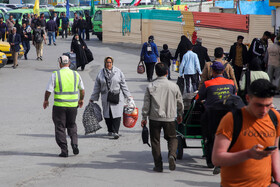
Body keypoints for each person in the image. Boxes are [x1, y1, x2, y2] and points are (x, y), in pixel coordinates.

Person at [212, 79, 280, 187]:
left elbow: (275, 150)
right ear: (248, 98)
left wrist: (277, 181)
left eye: (268, 105)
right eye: (259, 105)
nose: (264, 110)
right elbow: (217, 159)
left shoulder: (274, 117)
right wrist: (248, 154)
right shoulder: (231, 119)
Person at [141, 63, 184, 172]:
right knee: (172, 138)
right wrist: (180, 114)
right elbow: (180, 102)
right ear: (167, 72)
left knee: (155, 141)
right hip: (169, 118)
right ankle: (172, 155)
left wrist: (144, 117)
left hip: (154, 118)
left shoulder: (151, 86)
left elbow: (146, 103)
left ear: (156, 73)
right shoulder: (174, 86)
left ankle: (158, 166)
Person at [196, 61, 237, 169]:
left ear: (212, 71)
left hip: (211, 115)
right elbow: (235, 96)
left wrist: (203, 101)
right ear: (223, 71)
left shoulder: (207, 83)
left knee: (209, 138)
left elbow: (197, 98)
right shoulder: (231, 83)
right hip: (228, 115)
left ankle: (210, 161)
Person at [43, 55, 85, 157]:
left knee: (60, 127)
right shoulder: (76, 74)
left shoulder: (56, 75)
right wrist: (81, 99)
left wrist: (46, 100)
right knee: (72, 125)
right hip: (72, 106)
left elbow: (48, 90)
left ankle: (64, 150)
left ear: (59, 63)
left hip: (59, 106)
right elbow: (82, 90)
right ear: (69, 63)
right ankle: (74, 144)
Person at [90, 56, 132, 139]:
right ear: (105, 63)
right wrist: (93, 98)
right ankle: (110, 129)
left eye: (110, 62)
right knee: (107, 114)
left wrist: (128, 95)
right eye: (107, 62)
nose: (108, 64)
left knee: (117, 114)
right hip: (106, 97)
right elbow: (97, 87)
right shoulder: (101, 73)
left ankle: (116, 131)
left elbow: (123, 84)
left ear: (112, 63)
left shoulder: (118, 72)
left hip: (117, 96)